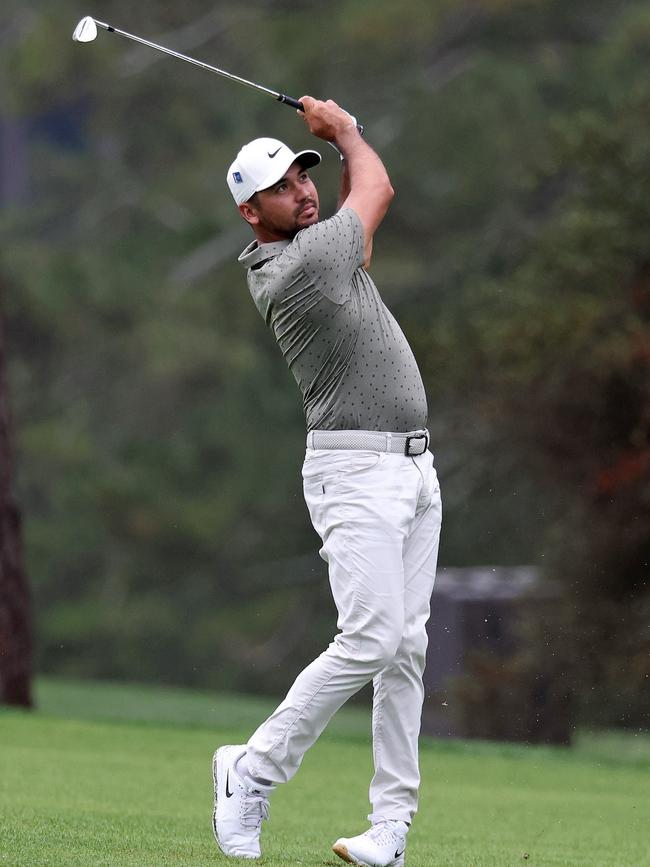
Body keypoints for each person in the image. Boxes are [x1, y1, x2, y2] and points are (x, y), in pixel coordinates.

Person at [213, 96, 442, 867]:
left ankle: (390, 830)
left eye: (305, 177)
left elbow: (358, 207)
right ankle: (251, 770)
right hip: (355, 470)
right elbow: (375, 191)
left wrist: (338, 148)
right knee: (372, 636)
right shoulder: (302, 267)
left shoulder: (322, 244)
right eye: (282, 188)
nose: (304, 192)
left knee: (405, 648)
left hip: (413, 467)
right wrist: (343, 132)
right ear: (253, 212)